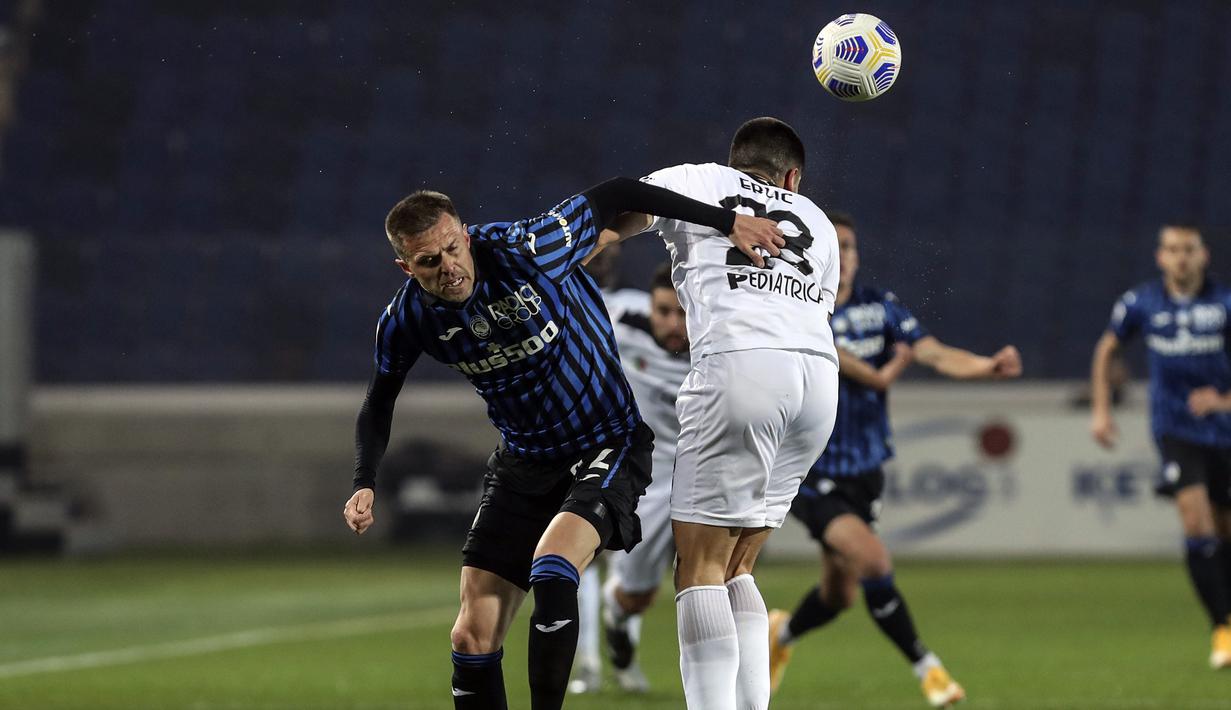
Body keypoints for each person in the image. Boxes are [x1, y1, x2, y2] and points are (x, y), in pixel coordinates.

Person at [341, 178, 785, 710]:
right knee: (470, 637)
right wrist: (364, 481)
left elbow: (620, 190)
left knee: (553, 568)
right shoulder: (407, 318)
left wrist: (724, 220)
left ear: (464, 233)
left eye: (453, 249)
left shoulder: (525, 248)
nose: (448, 268)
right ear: (406, 268)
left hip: (607, 441)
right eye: (429, 262)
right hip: (523, 461)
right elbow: (378, 400)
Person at [599, 116, 841, 710]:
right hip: (816, 384)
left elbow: (617, 217)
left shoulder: (699, 181)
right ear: (793, 178)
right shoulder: (821, 225)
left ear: (735, 162)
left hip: (740, 366)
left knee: (699, 567)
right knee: (739, 566)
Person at [767, 211, 1022, 708]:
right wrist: (882, 373)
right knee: (874, 561)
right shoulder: (797, 306)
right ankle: (930, 671)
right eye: (834, 245)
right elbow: (840, 360)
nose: (845, 255)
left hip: (865, 472)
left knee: (839, 595)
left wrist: (986, 366)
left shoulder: (879, 307)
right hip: (809, 469)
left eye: (852, 247)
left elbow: (933, 353)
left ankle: (781, 637)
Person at [1089, 223, 1231, 669]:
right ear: (1160, 257)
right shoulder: (1141, 303)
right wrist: (1101, 410)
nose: (1181, 258)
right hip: (1175, 430)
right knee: (1195, 520)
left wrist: (1222, 400)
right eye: (1172, 250)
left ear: (1203, 255)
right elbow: (1106, 348)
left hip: (1225, 431)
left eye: (1188, 249)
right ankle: (1222, 628)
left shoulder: (1225, 304)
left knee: (1223, 534)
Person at [570, 262, 692, 694]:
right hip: (634, 475)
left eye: (683, 313)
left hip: (692, 479)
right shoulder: (620, 320)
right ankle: (598, 645)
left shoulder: (719, 345)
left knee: (685, 586)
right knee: (604, 575)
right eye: (664, 312)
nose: (673, 323)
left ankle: (618, 621)